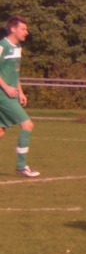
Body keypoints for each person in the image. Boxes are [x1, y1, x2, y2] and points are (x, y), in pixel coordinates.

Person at [0, 16, 40, 178]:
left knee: (0, 132)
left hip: (11, 93)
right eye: (23, 29)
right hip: (3, 95)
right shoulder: (2, 46)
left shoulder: (17, 47)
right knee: (27, 125)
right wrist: (6, 87)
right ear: (13, 29)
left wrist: (20, 91)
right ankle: (21, 166)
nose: (26, 32)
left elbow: (15, 73)